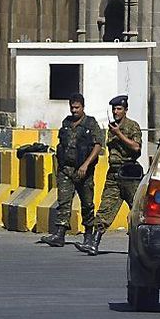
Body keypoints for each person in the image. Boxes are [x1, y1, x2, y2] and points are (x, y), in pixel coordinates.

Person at [77, 94, 142, 256]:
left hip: (129, 175)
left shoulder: (132, 126)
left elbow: (136, 148)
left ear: (125, 110)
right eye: (114, 109)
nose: (115, 111)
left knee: (137, 212)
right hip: (113, 174)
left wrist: (119, 134)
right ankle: (94, 243)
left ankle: (139, 247)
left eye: (119, 109)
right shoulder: (111, 128)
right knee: (105, 208)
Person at [40, 93, 103, 247]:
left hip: (83, 170)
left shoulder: (91, 124)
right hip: (66, 169)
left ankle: (88, 234)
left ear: (83, 107)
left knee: (87, 204)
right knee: (63, 201)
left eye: (77, 107)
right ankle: (60, 233)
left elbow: (98, 145)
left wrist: (86, 164)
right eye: (72, 107)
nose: (74, 110)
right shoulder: (66, 123)